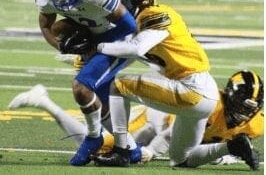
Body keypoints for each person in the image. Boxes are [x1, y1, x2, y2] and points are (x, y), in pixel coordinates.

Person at [91, 0, 260, 170]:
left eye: (119, 4)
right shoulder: (150, 19)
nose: (115, 10)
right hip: (204, 91)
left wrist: (98, 47)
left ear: (134, 1)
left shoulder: (153, 15)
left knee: (118, 86)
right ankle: (232, 147)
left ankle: (121, 152)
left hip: (191, 87)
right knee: (181, 159)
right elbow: (145, 56)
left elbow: (136, 49)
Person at [8, 70, 263, 165]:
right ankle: (44, 100)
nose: (242, 112)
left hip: (177, 139)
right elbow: (168, 134)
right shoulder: (210, 105)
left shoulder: (256, 123)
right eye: (239, 105)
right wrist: (150, 152)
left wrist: (227, 155)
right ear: (227, 96)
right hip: (158, 120)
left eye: (248, 108)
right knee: (100, 145)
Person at [34, 0, 138, 166]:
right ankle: (131, 150)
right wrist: (61, 46)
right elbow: (46, 27)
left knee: (81, 87)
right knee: (99, 100)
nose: (62, 0)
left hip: (118, 39)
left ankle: (93, 136)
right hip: (95, 36)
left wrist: (94, 43)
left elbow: (129, 27)